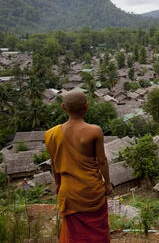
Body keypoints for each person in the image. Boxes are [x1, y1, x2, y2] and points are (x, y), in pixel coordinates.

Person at [45, 90, 112, 243]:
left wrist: (57, 184)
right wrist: (107, 183)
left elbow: (55, 163)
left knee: (74, 235)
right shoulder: (94, 131)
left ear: (63, 107)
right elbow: (102, 161)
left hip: (69, 192)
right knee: (98, 234)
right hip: (92, 191)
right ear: (86, 106)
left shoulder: (51, 134)